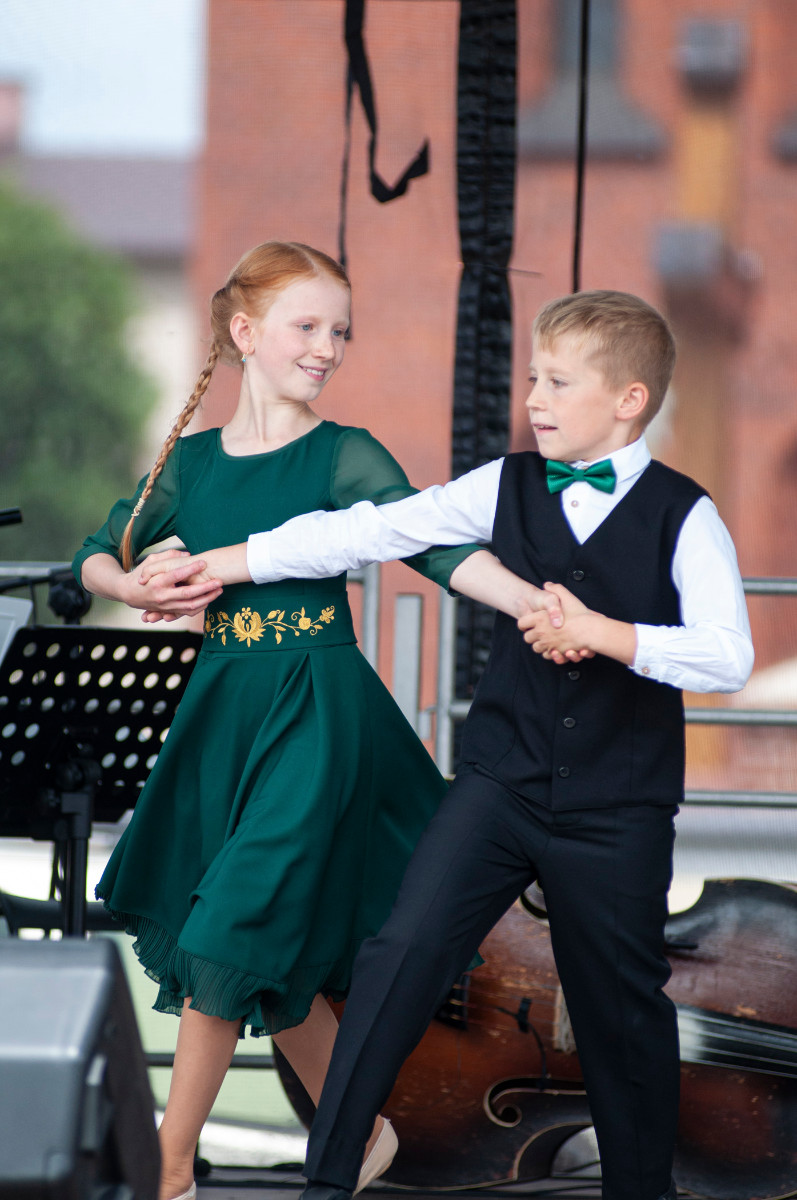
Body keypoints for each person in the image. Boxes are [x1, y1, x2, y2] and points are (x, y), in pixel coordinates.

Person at [144, 290, 754, 1200]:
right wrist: (217, 565)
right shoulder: (501, 482)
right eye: (532, 379)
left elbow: (727, 655)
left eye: (557, 383)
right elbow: (367, 530)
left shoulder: (684, 514)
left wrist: (603, 633)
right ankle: (330, 1178)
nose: (533, 399)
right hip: (498, 786)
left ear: (629, 399)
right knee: (398, 959)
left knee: (620, 1010)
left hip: (617, 808)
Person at [73, 241, 567, 1200]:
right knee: (255, 937)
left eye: (340, 331)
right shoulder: (192, 462)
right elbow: (97, 551)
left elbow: (431, 543)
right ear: (243, 332)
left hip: (317, 714)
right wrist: (129, 585)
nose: (327, 347)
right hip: (224, 714)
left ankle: (166, 1168)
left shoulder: (344, 452)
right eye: (307, 326)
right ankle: (361, 1129)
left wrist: (526, 602)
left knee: (230, 929)